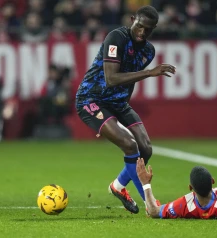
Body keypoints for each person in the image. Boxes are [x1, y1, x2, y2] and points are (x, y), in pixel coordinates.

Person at [75, 5, 176, 214]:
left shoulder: (148, 51)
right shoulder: (116, 38)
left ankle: (118, 186)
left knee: (145, 149)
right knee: (130, 145)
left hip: (119, 103)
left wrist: (117, 115)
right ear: (132, 20)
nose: (142, 32)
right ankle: (151, 203)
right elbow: (111, 78)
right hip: (92, 99)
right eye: (139, 26)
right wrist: (149, 73)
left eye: (147, 30)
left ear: (153, 29)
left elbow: (128, 83)